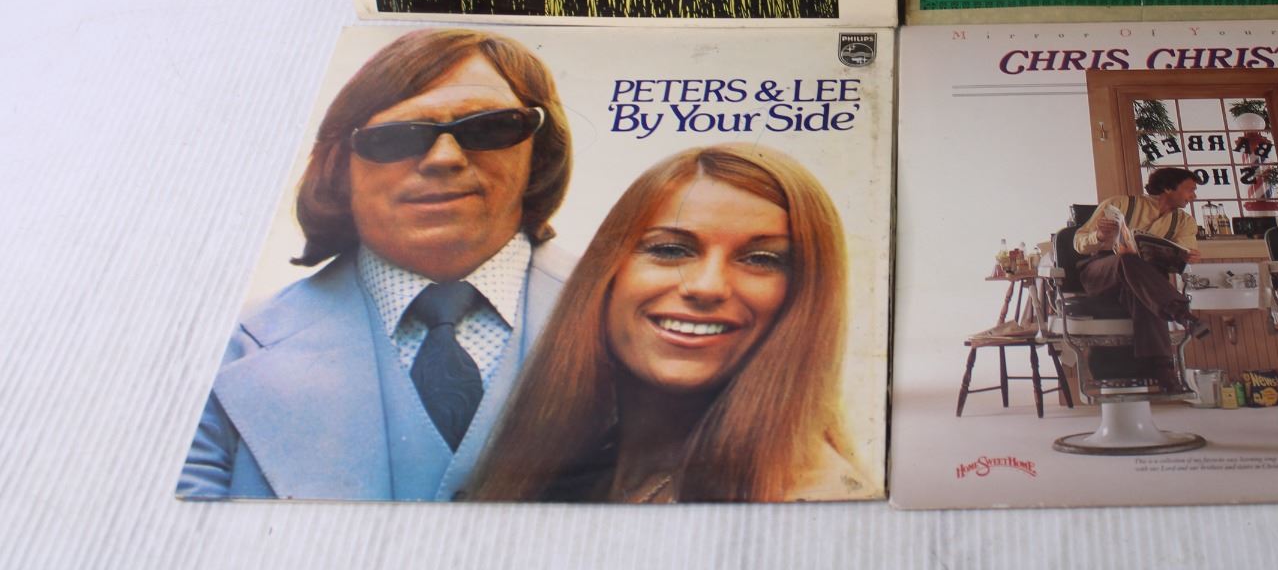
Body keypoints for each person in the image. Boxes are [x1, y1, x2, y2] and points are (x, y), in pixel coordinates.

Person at [180, 29, 574, 501]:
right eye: (396, 138)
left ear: (540, 152)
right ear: (338, 167)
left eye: (489, 128)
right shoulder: (224, 354)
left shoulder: (634, 319)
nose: (444, 158)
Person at [468, 145, 870, 504]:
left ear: (804, 295)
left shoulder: (816, 503)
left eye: (761, 259)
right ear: (606, 272)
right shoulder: (570, 469)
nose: (707, 286)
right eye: (672, 250)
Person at [1071, 167, 1211, 395]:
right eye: (1190, 190)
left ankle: (1164, 372)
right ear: (1168, 188)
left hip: (1142, 280)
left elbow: (1181, 257)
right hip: (1101, 273)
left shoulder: (1184, 222)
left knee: (1143, 294)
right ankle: (1181, 314)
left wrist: (1188, 257)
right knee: (1127, 259)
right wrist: (1099, 236)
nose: (1193, 196)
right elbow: (1078, 244)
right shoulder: (1119, 204)